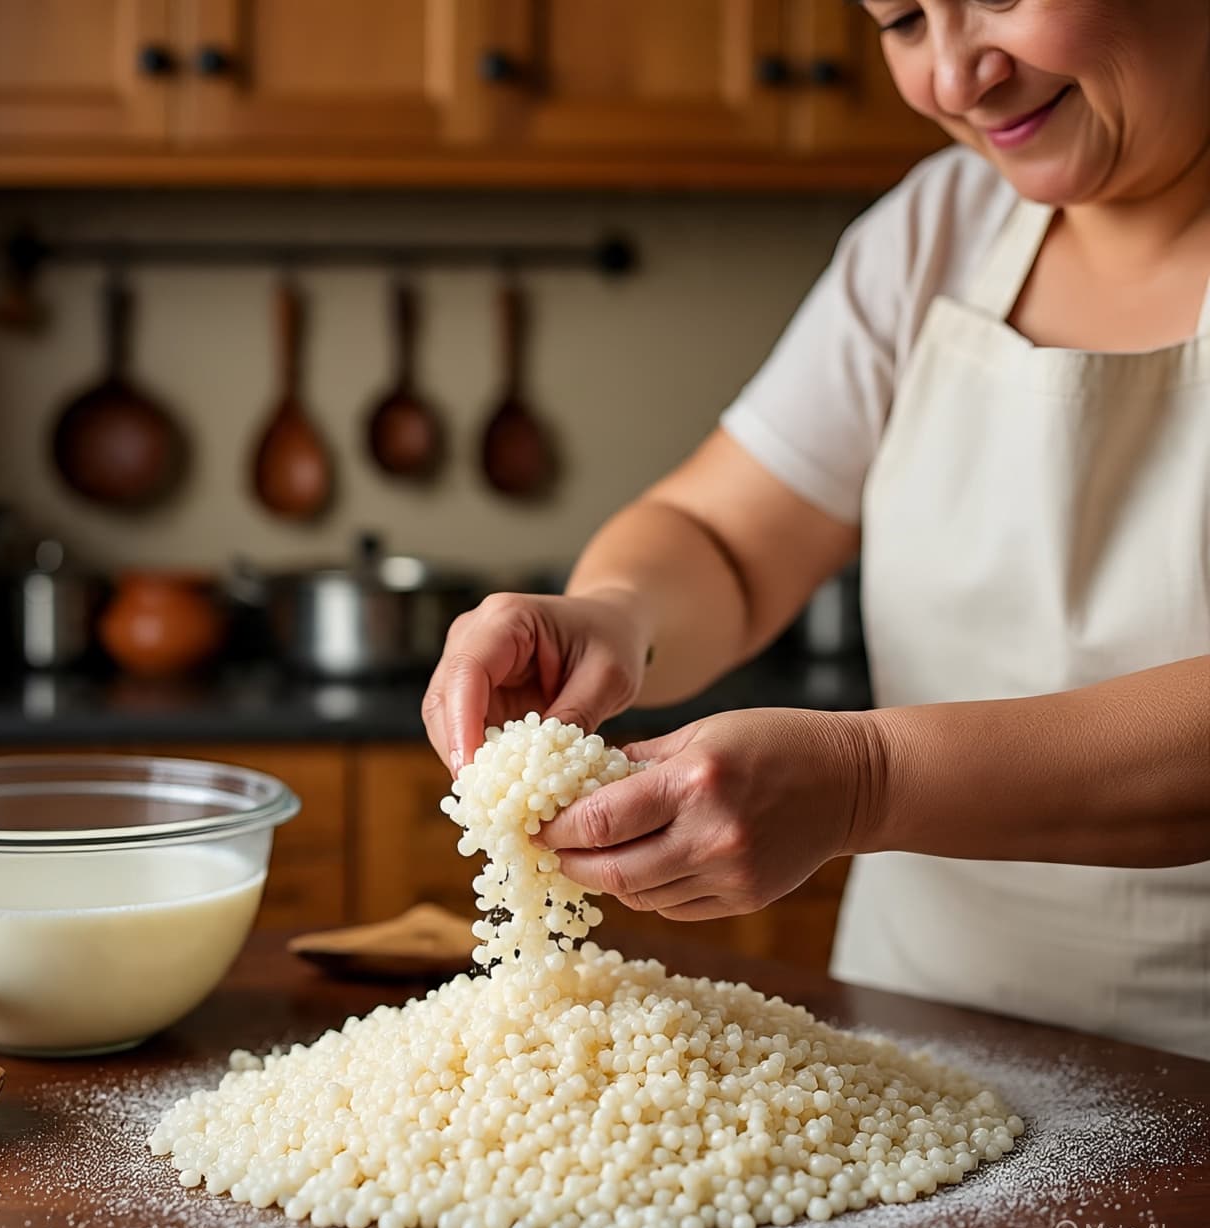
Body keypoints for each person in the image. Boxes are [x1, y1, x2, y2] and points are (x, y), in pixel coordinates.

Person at [421, 0, 1210, 1061]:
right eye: (900, 20)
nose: (950, 78)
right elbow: (725, 535)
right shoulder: (935, 230)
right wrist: (613, 611)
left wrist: (862, 779)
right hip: (921, 1045)